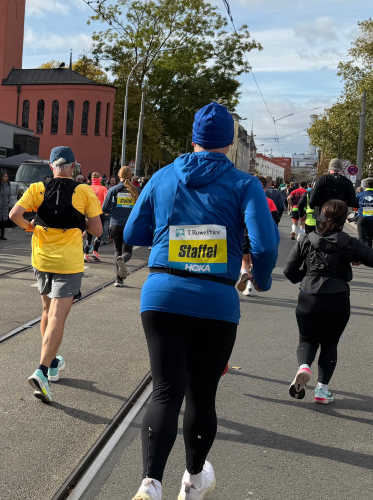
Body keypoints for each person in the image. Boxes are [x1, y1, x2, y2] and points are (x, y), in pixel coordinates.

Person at [123, 103, 279, 500]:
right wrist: (260, 280)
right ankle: (193, 481)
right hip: (216, 301)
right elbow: (264, 244)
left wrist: (170, 230)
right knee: (201, 394)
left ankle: (150, 484)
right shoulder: (245, 183)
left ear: (192, 138)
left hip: (162, 294)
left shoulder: (162, 176)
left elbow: (132, 232)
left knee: (164, 390)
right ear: (229, 142)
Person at [9, 146, 103, 404]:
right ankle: (42, 371)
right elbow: (97, 229)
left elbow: (14, 215)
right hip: (68, 263)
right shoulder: (84, 191)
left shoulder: (37, 188)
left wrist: (30, 227)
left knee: (47, 312)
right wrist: (80, 222)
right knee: (58, 317)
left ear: (51, 166)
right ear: (73, 166)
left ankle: (51, 364)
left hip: (41, 259)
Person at [284, 200, 373, 404]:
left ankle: (304, 367)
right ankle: (322, 390)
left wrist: (307, 274)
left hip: (308, 295)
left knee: (306, 340)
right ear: (344, 219)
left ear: (321, 217)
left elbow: (289, 270)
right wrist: (357, 257)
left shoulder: (308, 239)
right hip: (337, 297)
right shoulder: (349, 242)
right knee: (330, 343)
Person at [102, 165, 140, 287]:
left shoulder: (113, 190)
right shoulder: (137, 190)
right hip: (130, 225)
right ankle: (123, 259)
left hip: (115, 224)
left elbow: (104, 208)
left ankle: (118, 280)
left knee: (117, 250)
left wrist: (112, 211)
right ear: (131, 176)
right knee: (127, 251)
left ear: (119, 176)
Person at [85, 172, 108, 261]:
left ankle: (85, 254)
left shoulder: (88, 188)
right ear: (100, 179)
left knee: (89, 233)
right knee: (99, 232)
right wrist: (106, 211)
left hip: (89, 212)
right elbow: (106, 200)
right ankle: (95, 251)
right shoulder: (103, 188)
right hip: (100, 212)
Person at [356, 178, 373, 247]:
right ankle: (370, 253)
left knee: (362, 239)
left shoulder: (360, 194)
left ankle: (362, 252)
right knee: (370, 239)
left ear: (365, 186)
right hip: (372, 219)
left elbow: (354, 204)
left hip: (362, 218)